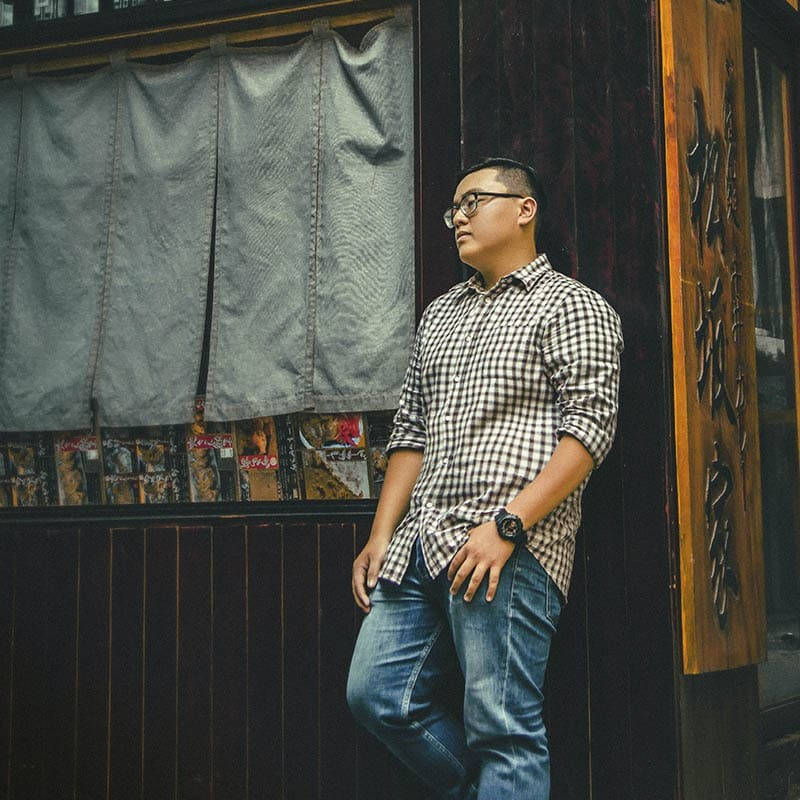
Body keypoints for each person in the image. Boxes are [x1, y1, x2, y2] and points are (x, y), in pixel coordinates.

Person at [346, 157, 623, 799]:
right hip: (420, 543)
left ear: (525, 210)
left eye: (474, 201)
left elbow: (589, 434)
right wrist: (381, 535)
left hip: (508, 550)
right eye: (454, 209)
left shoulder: (573, 306)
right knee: (377, 696)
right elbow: (410, 432)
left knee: (503, 730)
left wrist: (507, 526)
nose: (458, 218)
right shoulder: (441, 313)